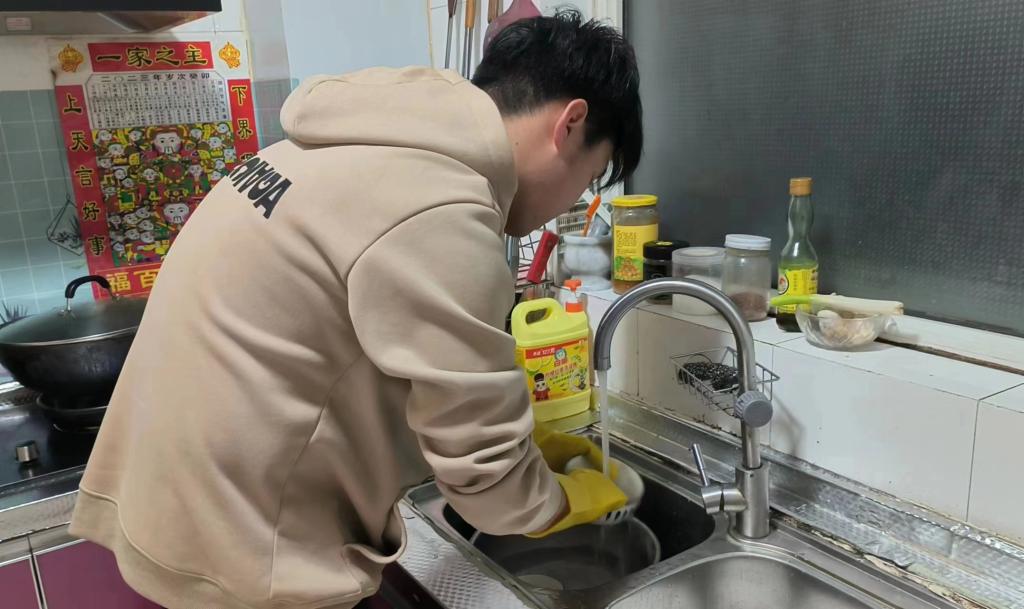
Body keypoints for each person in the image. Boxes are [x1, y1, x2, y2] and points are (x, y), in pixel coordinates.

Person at [70, 9, 643, 609]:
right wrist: (565, 500)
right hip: (251, 558)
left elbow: (349, 356)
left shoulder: (330, 148)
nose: (574, 200)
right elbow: (488, 484)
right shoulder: (442, 208)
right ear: (570, 124)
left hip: (177, 514)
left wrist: (526, 441)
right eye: (591, 176)